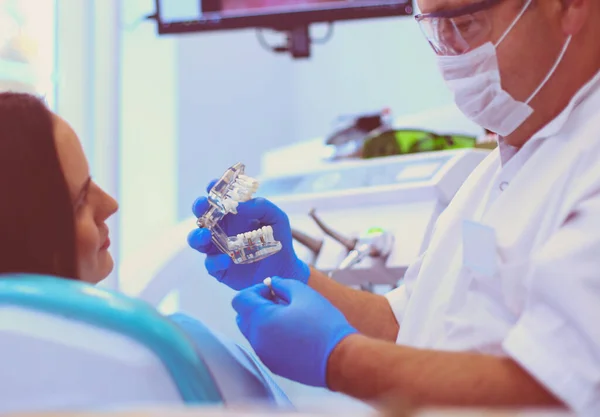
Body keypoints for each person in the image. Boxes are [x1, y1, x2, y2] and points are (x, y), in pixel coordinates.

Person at [188, 0, 600, 414]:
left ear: (568, 7)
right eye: (435, 30)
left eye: (466, 24)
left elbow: (559, 390)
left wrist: (342, 360)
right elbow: (409, 326)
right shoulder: (506, 162)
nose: (452, 55)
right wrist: (292, 275)